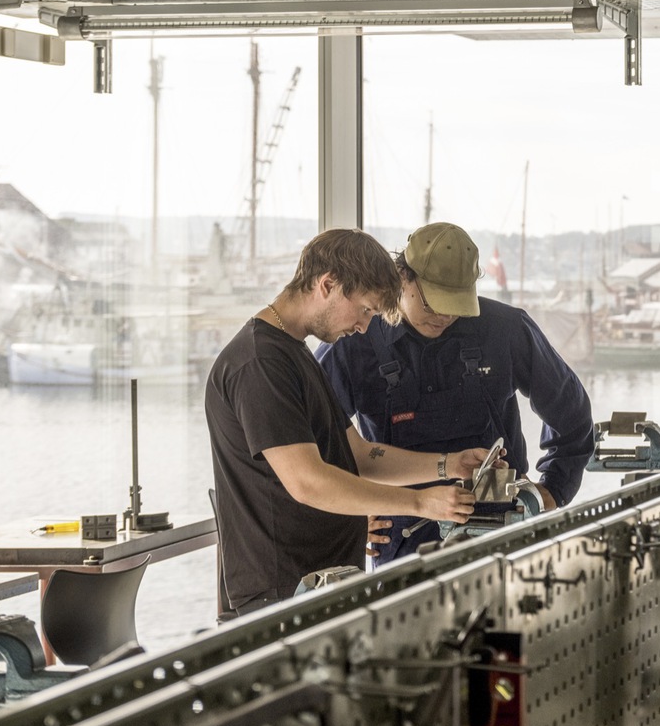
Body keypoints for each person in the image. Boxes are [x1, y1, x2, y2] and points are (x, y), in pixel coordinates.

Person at [205, 229, 485, 619]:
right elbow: (307, 482)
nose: (365, 327)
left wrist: (448, 464)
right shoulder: (260, 363)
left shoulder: (295, 354)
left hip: (321, 583)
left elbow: (359, 454)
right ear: (328, 285)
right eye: (366, 310)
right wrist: (421, 502)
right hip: (282, 594)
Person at [319, 222, 595, 564]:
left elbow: (573, 415)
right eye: (434, 304)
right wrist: (348, 514)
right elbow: (313, 443)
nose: (445, 315)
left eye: (456, 304)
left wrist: (553, 489)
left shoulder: (505, 329)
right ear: (402, 277)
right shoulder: (354, 341)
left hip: (503, 525)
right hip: (401, 535)